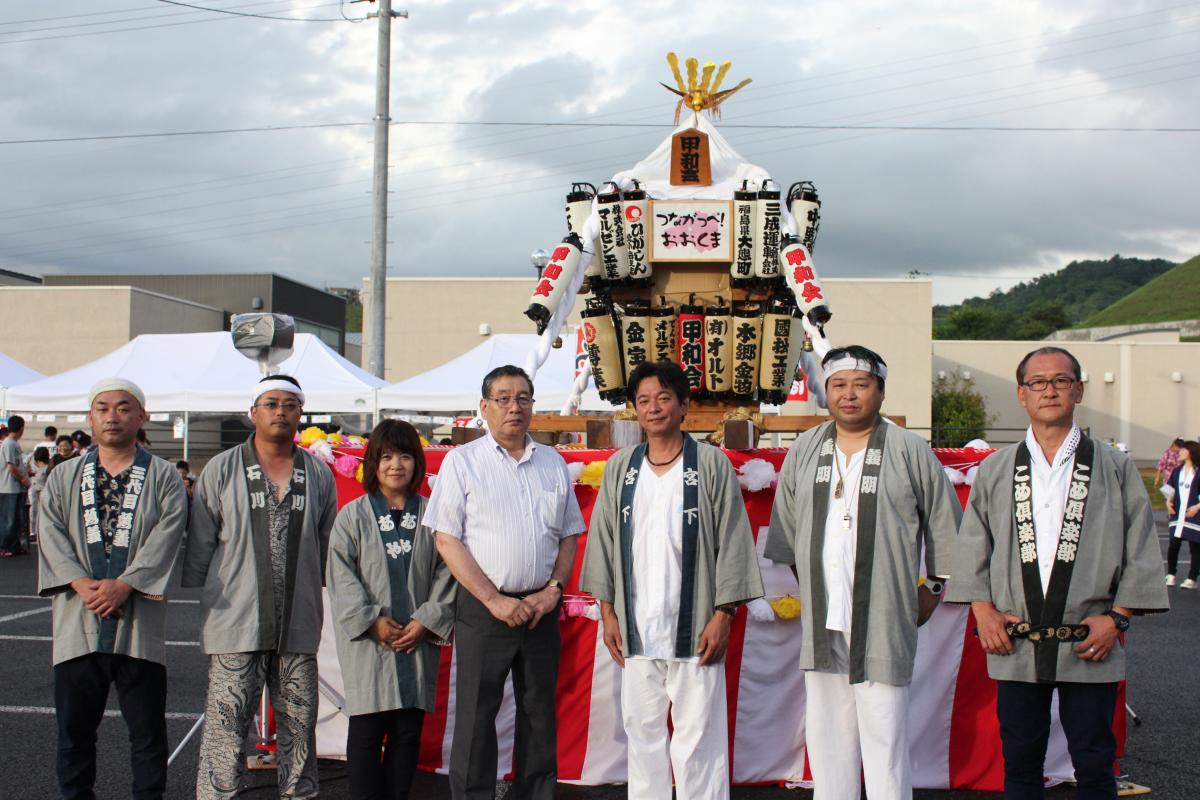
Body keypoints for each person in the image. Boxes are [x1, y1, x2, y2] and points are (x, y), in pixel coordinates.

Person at [946, 346, 1169, 800]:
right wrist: (983, 610)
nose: (1050, 390)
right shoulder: (996, 468)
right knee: (1021, 761)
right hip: (1014, 636)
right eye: (1038, 382)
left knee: (1093, 760)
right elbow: (972, 545)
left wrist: (1118, 617)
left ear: (1079, 390)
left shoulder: (1114, 466)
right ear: (1022, 395)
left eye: (1061, 380)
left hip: (1090, 637)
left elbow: (1141, 547)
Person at [762, 345, 961, 800]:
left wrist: (932, 587)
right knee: (827, 729)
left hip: (885, 611)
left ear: (881, 392)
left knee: (885, 728)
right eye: (838, 385)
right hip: (824, 614)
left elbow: (946, 527)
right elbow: (788, 532)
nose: (849, 395)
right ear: (826, 393)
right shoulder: (805, 450)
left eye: (861, 384)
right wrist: (812, 586)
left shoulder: (911, 450)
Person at [580, 361, 764, 800]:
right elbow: (603, 543)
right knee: (642, 737)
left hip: (696, 623)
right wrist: (608, 614)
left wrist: (724, 615)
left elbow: (734, 541)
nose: (653, 408)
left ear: (684, 406)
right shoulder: (622, 468)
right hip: (635, 627)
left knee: (698, 739)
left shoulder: (711, 464)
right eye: (643, 400)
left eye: (664, 398)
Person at [424, 365, 585, 800]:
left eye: (523, 398)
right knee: (477, 715)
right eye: (503, 398)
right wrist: (494, 600)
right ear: (484, 407)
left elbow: (570, 533)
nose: (514, 407)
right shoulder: (463, 462)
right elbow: (446, 537)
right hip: (483, 609)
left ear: (533, 405)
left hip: (539, 610)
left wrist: (553, 590)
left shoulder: (553, 463)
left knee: (539, 714)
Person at [183, 374, 338, 800]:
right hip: (236, 617)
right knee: (227, 721)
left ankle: (298, 795)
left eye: (289, 404)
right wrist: (204, 595)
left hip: (298, 618)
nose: (280, 412)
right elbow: (201, 540)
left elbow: (327, 542)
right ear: (253, 411)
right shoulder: (222, 467)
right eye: (270, 403)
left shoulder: (318, 473)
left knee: (300, 724)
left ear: (301, 413)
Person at [37, 378, 188, 800]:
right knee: (74, 733)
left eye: (124, 408)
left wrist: (125, 584)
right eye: (102, 407)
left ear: (141, 417)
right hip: (77, 619)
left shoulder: (163, 476)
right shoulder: (64, 476)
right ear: (90, 417)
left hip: (138, 623)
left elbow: (168, 533)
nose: (112, 416)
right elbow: (48, 532)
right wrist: (83, 584)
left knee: (146, 733)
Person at [326, 419, 456, 800]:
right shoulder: (352, 516)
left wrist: (426, 620)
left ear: (417, 462)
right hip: (370, 645)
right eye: (385, 456)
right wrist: (372, 621)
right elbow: (341, 575)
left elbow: (449, 570)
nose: (395, 464)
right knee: (366, 734)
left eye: (404, 455)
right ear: (372, 463)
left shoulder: (434, 517)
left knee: (407, 732)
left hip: (417, 641)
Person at [1164, 440, 1200, 589]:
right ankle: (1171, 575)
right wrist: (1168, 502)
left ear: (1191, 452)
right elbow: (1169, 489)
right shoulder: (1177, 471)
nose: (1180, 453)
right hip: (1178, 515)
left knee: (1195, 547)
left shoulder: (1198, 472)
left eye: (1183, 450)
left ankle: (1192, 579)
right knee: (1173, 545)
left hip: (1194, 515)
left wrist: (1197, 507)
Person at [0, 414, 30, 557]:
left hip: (15, 488)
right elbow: (11, 467)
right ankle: (5, 546)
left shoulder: (13, 443)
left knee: (17, 518)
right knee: (9, 518)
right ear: (21, 428)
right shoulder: (9, 443)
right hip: (8, 487)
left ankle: (14, 546)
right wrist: (24, 479)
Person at [28, 446, 51, 543]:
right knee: (34, 509)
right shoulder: (31, 459)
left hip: (42, 487)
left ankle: (37, 531)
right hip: (34, 486)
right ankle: (33, 531)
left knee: (39, 509)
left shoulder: (48, 464)